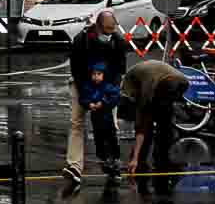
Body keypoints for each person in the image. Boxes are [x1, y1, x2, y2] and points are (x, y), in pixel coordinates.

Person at [63, 10, 128, 185]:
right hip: (82, 81)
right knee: (77, 121)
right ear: (97, 27)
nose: (109, 34)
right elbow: (77, 71)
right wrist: (87, 99)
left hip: (107, 84)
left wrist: (105, 99)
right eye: (106, 30)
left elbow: (118, 74)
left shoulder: (118, 42)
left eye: (112, 30)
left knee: (110, 122)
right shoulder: (81, 41)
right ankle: (74, 165)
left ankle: (111, 160)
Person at [119, 56, 189, 187]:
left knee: (161, 121)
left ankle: (158, 157)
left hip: (166, 81)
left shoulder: (180, 82)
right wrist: (135, 158)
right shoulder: (145, 86)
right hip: (143, 82)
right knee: (151, 122)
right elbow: (142, 124)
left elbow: (143, 124)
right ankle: (145, 159)